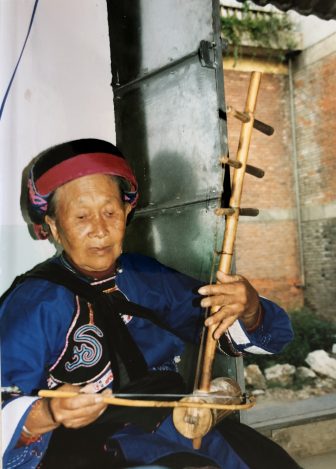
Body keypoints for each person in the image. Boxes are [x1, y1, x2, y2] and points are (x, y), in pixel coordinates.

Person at [1, 139, 301, 469]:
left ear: (127, 211)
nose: (100, 231)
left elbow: (232, 330)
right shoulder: (34, 302)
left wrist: (249, 308)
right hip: (92, 448)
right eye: (82, 216)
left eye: (110, 212)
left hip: (178, 424)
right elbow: (7, 398)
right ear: (55, 226)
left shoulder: (149, 278)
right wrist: (46, 414)